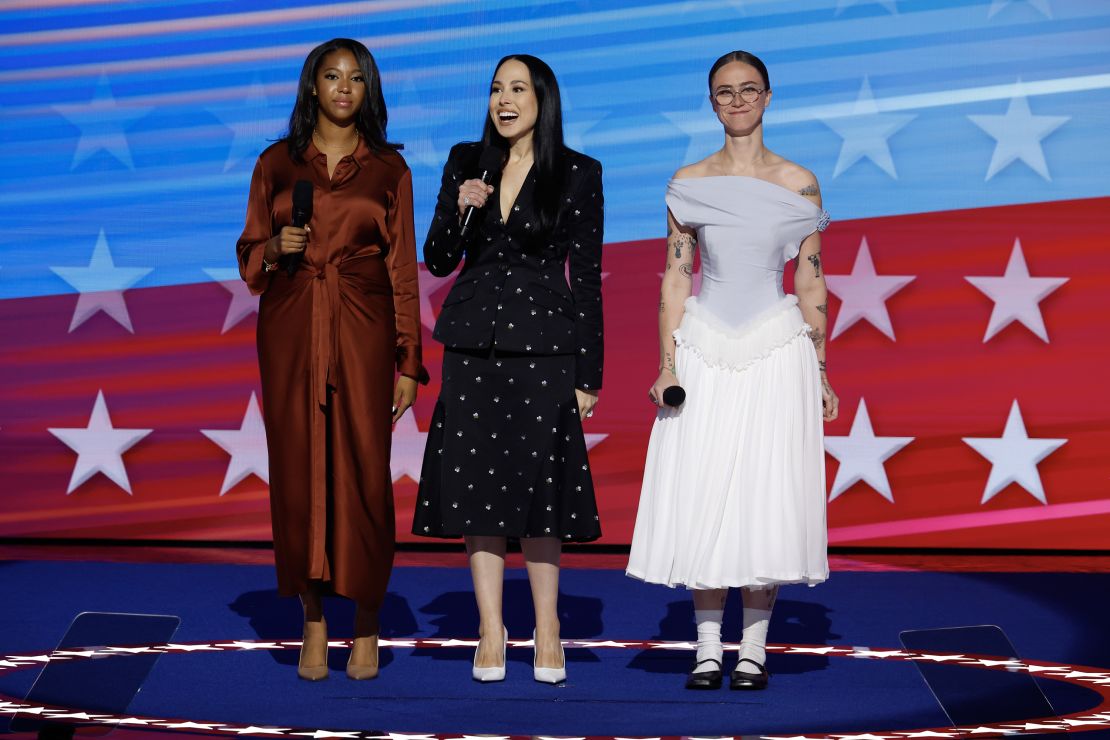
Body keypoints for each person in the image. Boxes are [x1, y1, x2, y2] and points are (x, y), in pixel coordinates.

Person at [626, 50, 839, 692]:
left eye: (750, 90)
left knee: (765, 491)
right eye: (725, 92)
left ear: (769, 97)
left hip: (777, 349)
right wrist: (666, 363)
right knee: (703, 491)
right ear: (711, 102)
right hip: (705, 346)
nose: (739, 100)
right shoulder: (688, 182)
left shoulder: (800, 182)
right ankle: (707, 648)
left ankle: (753, 650)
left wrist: (823, 369)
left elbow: (810, 280)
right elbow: (675, 274)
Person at [235, 38, 427, 681]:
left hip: (365, 329)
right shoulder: (275, 163)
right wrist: (273, 246)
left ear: (368, 90)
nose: (344, 87)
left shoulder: (389, 170)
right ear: (311, 87)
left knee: (365, 474)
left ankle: (366, 619)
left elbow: (404, 273)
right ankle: (313, 617)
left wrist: (409, 361)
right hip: (290, 328)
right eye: (331, 76)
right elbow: (247, 259)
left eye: (356, 78)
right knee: (297, 470)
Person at [411, 54, 605, 685]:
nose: (504, 99)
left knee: (541, 494)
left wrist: (589, 374)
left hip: (545, 350)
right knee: (478, 493)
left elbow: (588, 281)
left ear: (542, 100)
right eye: (497, 88)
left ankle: (547, 628)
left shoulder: (577, 172)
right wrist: (461, 210)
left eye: (518, 88)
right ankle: (490, 630)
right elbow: (438, 260)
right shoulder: (467, 161)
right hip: (472, 347)